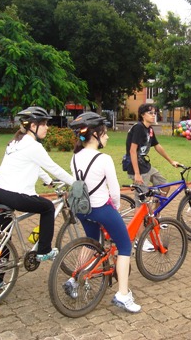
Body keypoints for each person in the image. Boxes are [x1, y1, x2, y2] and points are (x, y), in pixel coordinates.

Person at [66, 112, 141, 313]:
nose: (107, 137)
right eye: (105, 133)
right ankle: (123, 295)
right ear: (97, 135)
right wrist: (115, 207)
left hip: (83, 210)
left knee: (91, 240)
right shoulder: (104, 158)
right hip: (102, 209)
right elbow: (114, 191)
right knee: (125, 246)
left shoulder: (75, 158)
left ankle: (74, 279)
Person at [0, 106, 75, 263]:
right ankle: (44, 250)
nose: (47, 127)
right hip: (15, 195)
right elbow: (53, 167)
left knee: (2, 236)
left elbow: (34, 165)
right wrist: (76, 183)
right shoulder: (34, 146)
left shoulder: (15, 142)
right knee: (48, 207)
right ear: (33, 126)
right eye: (43, 124)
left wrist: (47, 180)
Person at [126, 103, 180, 190]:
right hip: (136, 167)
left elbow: (157, 146)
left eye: (154, 113)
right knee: (142, 199)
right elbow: (132, 151)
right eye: (150, 113)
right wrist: (137, 173)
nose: (153, 115)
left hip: (145, 165)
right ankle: (142, 202)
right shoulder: (138, 127)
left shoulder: (149, 128)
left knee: (164, 186)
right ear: (143, 115)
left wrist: (171, 161)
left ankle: (154, 203)